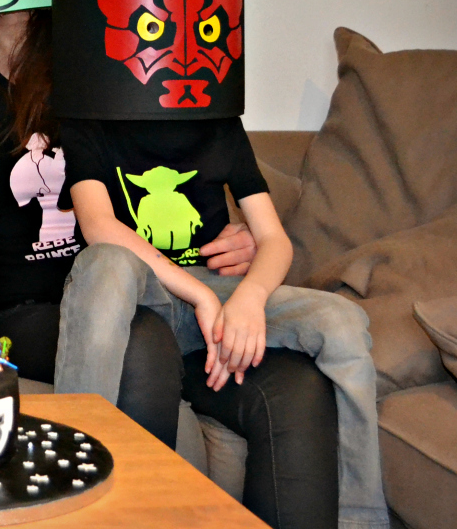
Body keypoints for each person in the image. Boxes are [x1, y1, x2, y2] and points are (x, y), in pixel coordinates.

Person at [0, 0, 343, 525]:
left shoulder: (109, 49)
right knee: (141, 344)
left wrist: (236, 237)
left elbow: (186, 161)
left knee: (297, 387)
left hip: (158, 292)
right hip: (30, 310)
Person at [59, 118, 386, 529]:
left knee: (343, 320)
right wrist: (201, 296)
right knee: (106, 262)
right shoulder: (91, 120)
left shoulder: (221, 124)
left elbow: (274, 239)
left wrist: (250, 297)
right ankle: (71, 487)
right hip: (144, 293)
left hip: (217, 291)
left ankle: (361, 519)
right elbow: (98, 226)